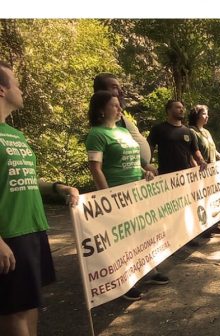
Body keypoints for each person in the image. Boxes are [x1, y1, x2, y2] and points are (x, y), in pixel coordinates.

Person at [0, 60, 79, 336]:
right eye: (17, 83)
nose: (22, 90)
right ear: (1, 90)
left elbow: (25, 178)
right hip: (8, 235)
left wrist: (59, 189)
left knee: (31, 306)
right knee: (13, 313)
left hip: (33, 230)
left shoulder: (16, 135)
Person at [85, 90, 168, 301]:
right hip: (117, 194)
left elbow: (133, 162)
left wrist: (145, 173)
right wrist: (107, 197)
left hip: (137, 192)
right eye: (114, 105)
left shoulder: (122, 133)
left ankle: (149, 270)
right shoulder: (96, 134)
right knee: (123, 240)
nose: (120, 108)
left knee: (142, 231)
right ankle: (124, 282)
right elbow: (96, 168)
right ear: (101, 110)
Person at [92, 73, 157, 175]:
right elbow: (121, 151)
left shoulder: (118, 118)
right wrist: (145, 166)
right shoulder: (105, 124)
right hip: (124, 179)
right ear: (102, 92)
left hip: (137, 175)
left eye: (120, 87)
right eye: (114, 87)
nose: (121, 91)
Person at [188, 104, 220, 236]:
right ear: (197, 115)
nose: (207, 116)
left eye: (207, 114)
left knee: (212, 198)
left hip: (211, 172)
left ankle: (214, 225)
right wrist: (195, 167)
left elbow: (212, 148)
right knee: (201, 200)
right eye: (204, 114)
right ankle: (202, 228)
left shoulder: (206, 132)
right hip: (200, 172)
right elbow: (191, 152)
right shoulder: (191, 131)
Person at [147, 100, 207, 175]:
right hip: (165, 176)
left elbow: (195, 151)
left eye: (182, 108)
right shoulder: (158, 129)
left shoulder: (189, 132)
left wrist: (202, 161)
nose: (182, 110)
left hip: (185, 176)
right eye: (178, 107)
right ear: (168, 111)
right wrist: (148, 167)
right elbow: (149, 149)